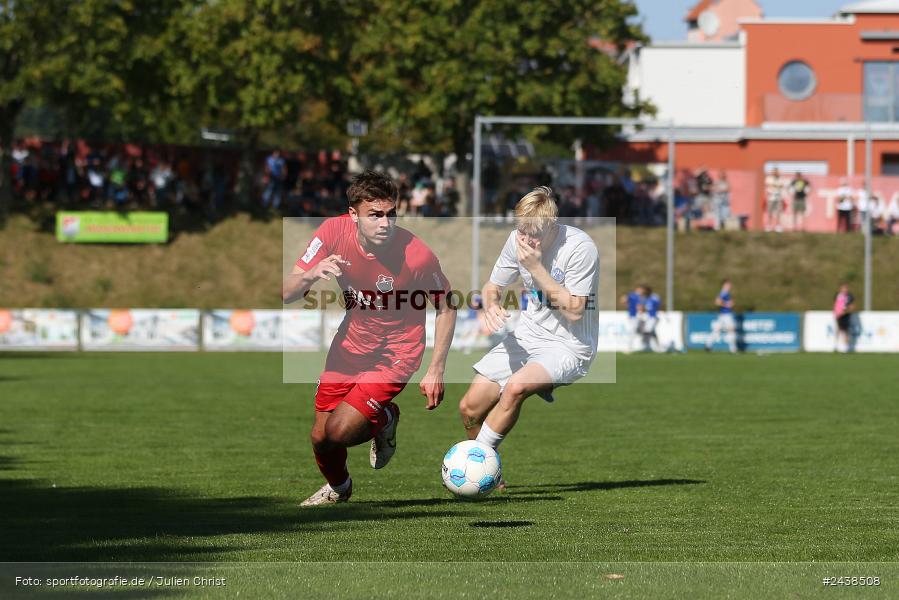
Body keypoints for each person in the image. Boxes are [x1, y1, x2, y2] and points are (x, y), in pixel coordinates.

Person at [282, 170, 456, 506]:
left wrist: (436, 368)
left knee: (340, 432)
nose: (385, 223)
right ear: (353, 215)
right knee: (320, 437)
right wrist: (310, 275)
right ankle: (339, 488)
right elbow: (287, 291)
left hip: (397, 352)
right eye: (374, 215)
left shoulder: (417, 256)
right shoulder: (332, 232)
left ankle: (386, 418)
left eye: (391, 215)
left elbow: (447, 306)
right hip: (350, 346)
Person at [456, 186, 599, 485]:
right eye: (522, 230)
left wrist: (535, 267)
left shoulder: (580, 247)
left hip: (569, 345)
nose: (527, 239)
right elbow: (492, 285)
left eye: (534, 233)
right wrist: (490, 302)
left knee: (516, 387)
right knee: (469, 408)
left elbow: (574, 310)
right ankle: (491, 479)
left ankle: (473, 464)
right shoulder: (517, 239)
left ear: (552, 226)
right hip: (528, 336)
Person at [704, 279, 737, 353]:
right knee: (731, 330)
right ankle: (733, 349)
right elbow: (717, 302)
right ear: (724, 285)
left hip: (723, 315)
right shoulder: (723, 293)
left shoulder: (726, 293)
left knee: (717, 331)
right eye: (728, 285)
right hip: (726, 315)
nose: (729, 286)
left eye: (729, 285)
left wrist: (729, 304)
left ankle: (708, 343)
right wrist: (727, 304)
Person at [619, 285, 645, 353]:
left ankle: (631, 347)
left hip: (633, 316)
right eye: (641, 290)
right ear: (638, 289)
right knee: (632, 332)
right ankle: (630, 347)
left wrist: (628, 305)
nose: (642, 292)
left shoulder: (634, 296)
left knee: (633, 331)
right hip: (634, 316)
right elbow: (639, 306)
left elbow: (623, 300)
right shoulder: (635, 296)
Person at [638, 286, 663, 353]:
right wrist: (642, 309)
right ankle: (657, 346)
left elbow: (658, 305)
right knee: (651, 332)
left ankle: (646, 345)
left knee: (647, 330)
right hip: (648, 317)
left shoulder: (654, 297)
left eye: (644, 290)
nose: (643, 292)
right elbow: (645, 308)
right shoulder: (645, 298)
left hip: (653, 317)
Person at [833, 283, 855, 353]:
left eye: (845, 288)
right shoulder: (838, 295)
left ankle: (846, 347)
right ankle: (836, 345)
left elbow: (852, 307)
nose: (844, 290)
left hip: (846, 315)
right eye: (843, 288)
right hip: (838, 315)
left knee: (845, 330)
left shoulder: (849, 297)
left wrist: (844, 312)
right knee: (838, 329)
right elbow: (836, 304)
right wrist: (836, 312)